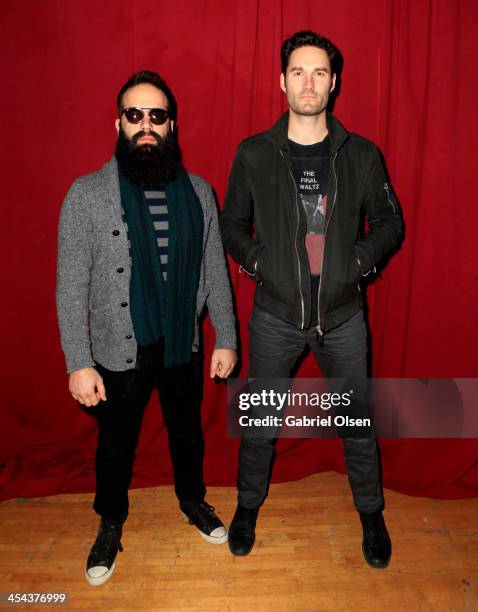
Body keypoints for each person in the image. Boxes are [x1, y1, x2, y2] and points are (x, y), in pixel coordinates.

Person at [220, 31, 403, 568]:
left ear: (334, 82)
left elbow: (391, 222)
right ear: (281, 81)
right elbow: (232, 223)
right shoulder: (254, 153)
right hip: (276, 315)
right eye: (298, 71)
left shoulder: (362, 155)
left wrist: (356, 263)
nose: (308, 82)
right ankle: (248, 507)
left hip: (343, 316)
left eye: (319, 72)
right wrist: (259, 263)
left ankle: (371, 514)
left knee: (357, 424)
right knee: (260, 423)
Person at [57, 71, 237, 586]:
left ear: (171, 124)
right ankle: (110, 523)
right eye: (134, 115)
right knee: (115, 444)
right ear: (118, 122)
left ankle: (192, 501)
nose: (145, 125)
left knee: (187, 435)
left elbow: (214, 271)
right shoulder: (86, 194)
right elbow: (70, 286)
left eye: (156, 116)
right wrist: (78, 361)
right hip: (119, 348)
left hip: (182, 340)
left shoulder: (199, 192)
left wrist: (225, 335)